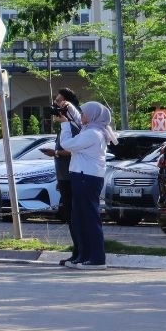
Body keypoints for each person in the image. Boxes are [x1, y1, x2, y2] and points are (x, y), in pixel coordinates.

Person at [58, 100, 117, 270]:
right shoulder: (91, 129)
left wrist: (64, 125)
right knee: (79, 218)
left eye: (84, 113)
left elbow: (67, 144)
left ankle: (97, 258)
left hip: (87, 177)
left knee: (89, 218)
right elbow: (79, 119)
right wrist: (70, 109)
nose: (81, 115)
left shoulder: (93, 134)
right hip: (81, 175)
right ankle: (84, 255)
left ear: (92, 116)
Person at [37, 89, 81, 261]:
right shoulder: (65, 126)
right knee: (69, 217)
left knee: (74, 217)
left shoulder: (75, 125)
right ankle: (76, 252)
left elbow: (74, 149)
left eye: (60, 103)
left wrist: (55, 153)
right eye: (55, 102)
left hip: (72, 177)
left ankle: (79, 252)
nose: (56, 106)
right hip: (64, 177)